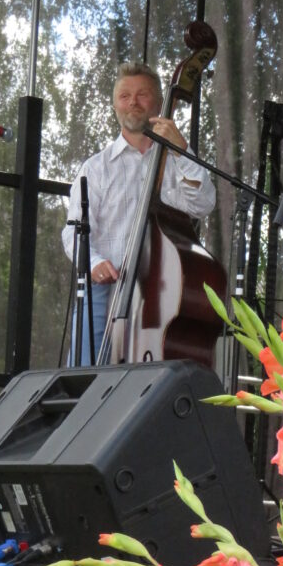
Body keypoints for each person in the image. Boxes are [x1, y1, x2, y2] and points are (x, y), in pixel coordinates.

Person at [62, 61, 217, 365]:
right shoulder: (95, 168)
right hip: (106, 291)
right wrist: (94, 263)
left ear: (158, 103)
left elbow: (202, 204)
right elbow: (72, 231)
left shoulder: (176, 161)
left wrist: (181, 150)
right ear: (115, 106)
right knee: (84, 378)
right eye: (124, 96)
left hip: (161, 295)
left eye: (142, 95)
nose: (133, 102)